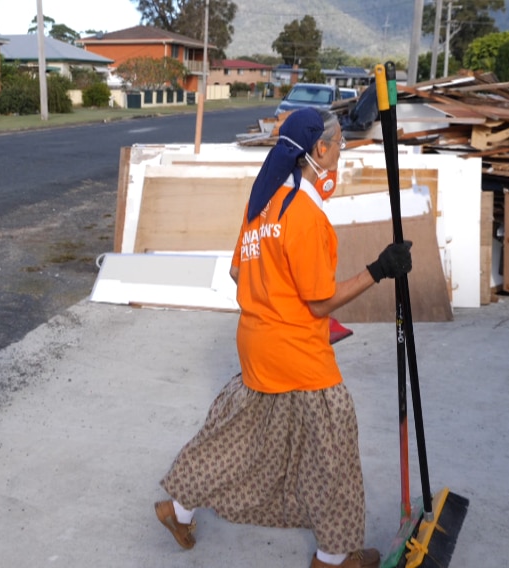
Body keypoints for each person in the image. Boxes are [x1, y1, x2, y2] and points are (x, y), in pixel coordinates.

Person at [155, 107, 412, 568]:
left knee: (238, 436)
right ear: (319, 149)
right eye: (339, 145)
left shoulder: (263, 204)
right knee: (332, 448)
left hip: (256, 343)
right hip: (298, 353)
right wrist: (379, 269)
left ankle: (177, 508)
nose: (341, 153)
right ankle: (334, 558)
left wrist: (275, 306)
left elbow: (239, 271)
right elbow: (319, 302)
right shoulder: (305, 214)